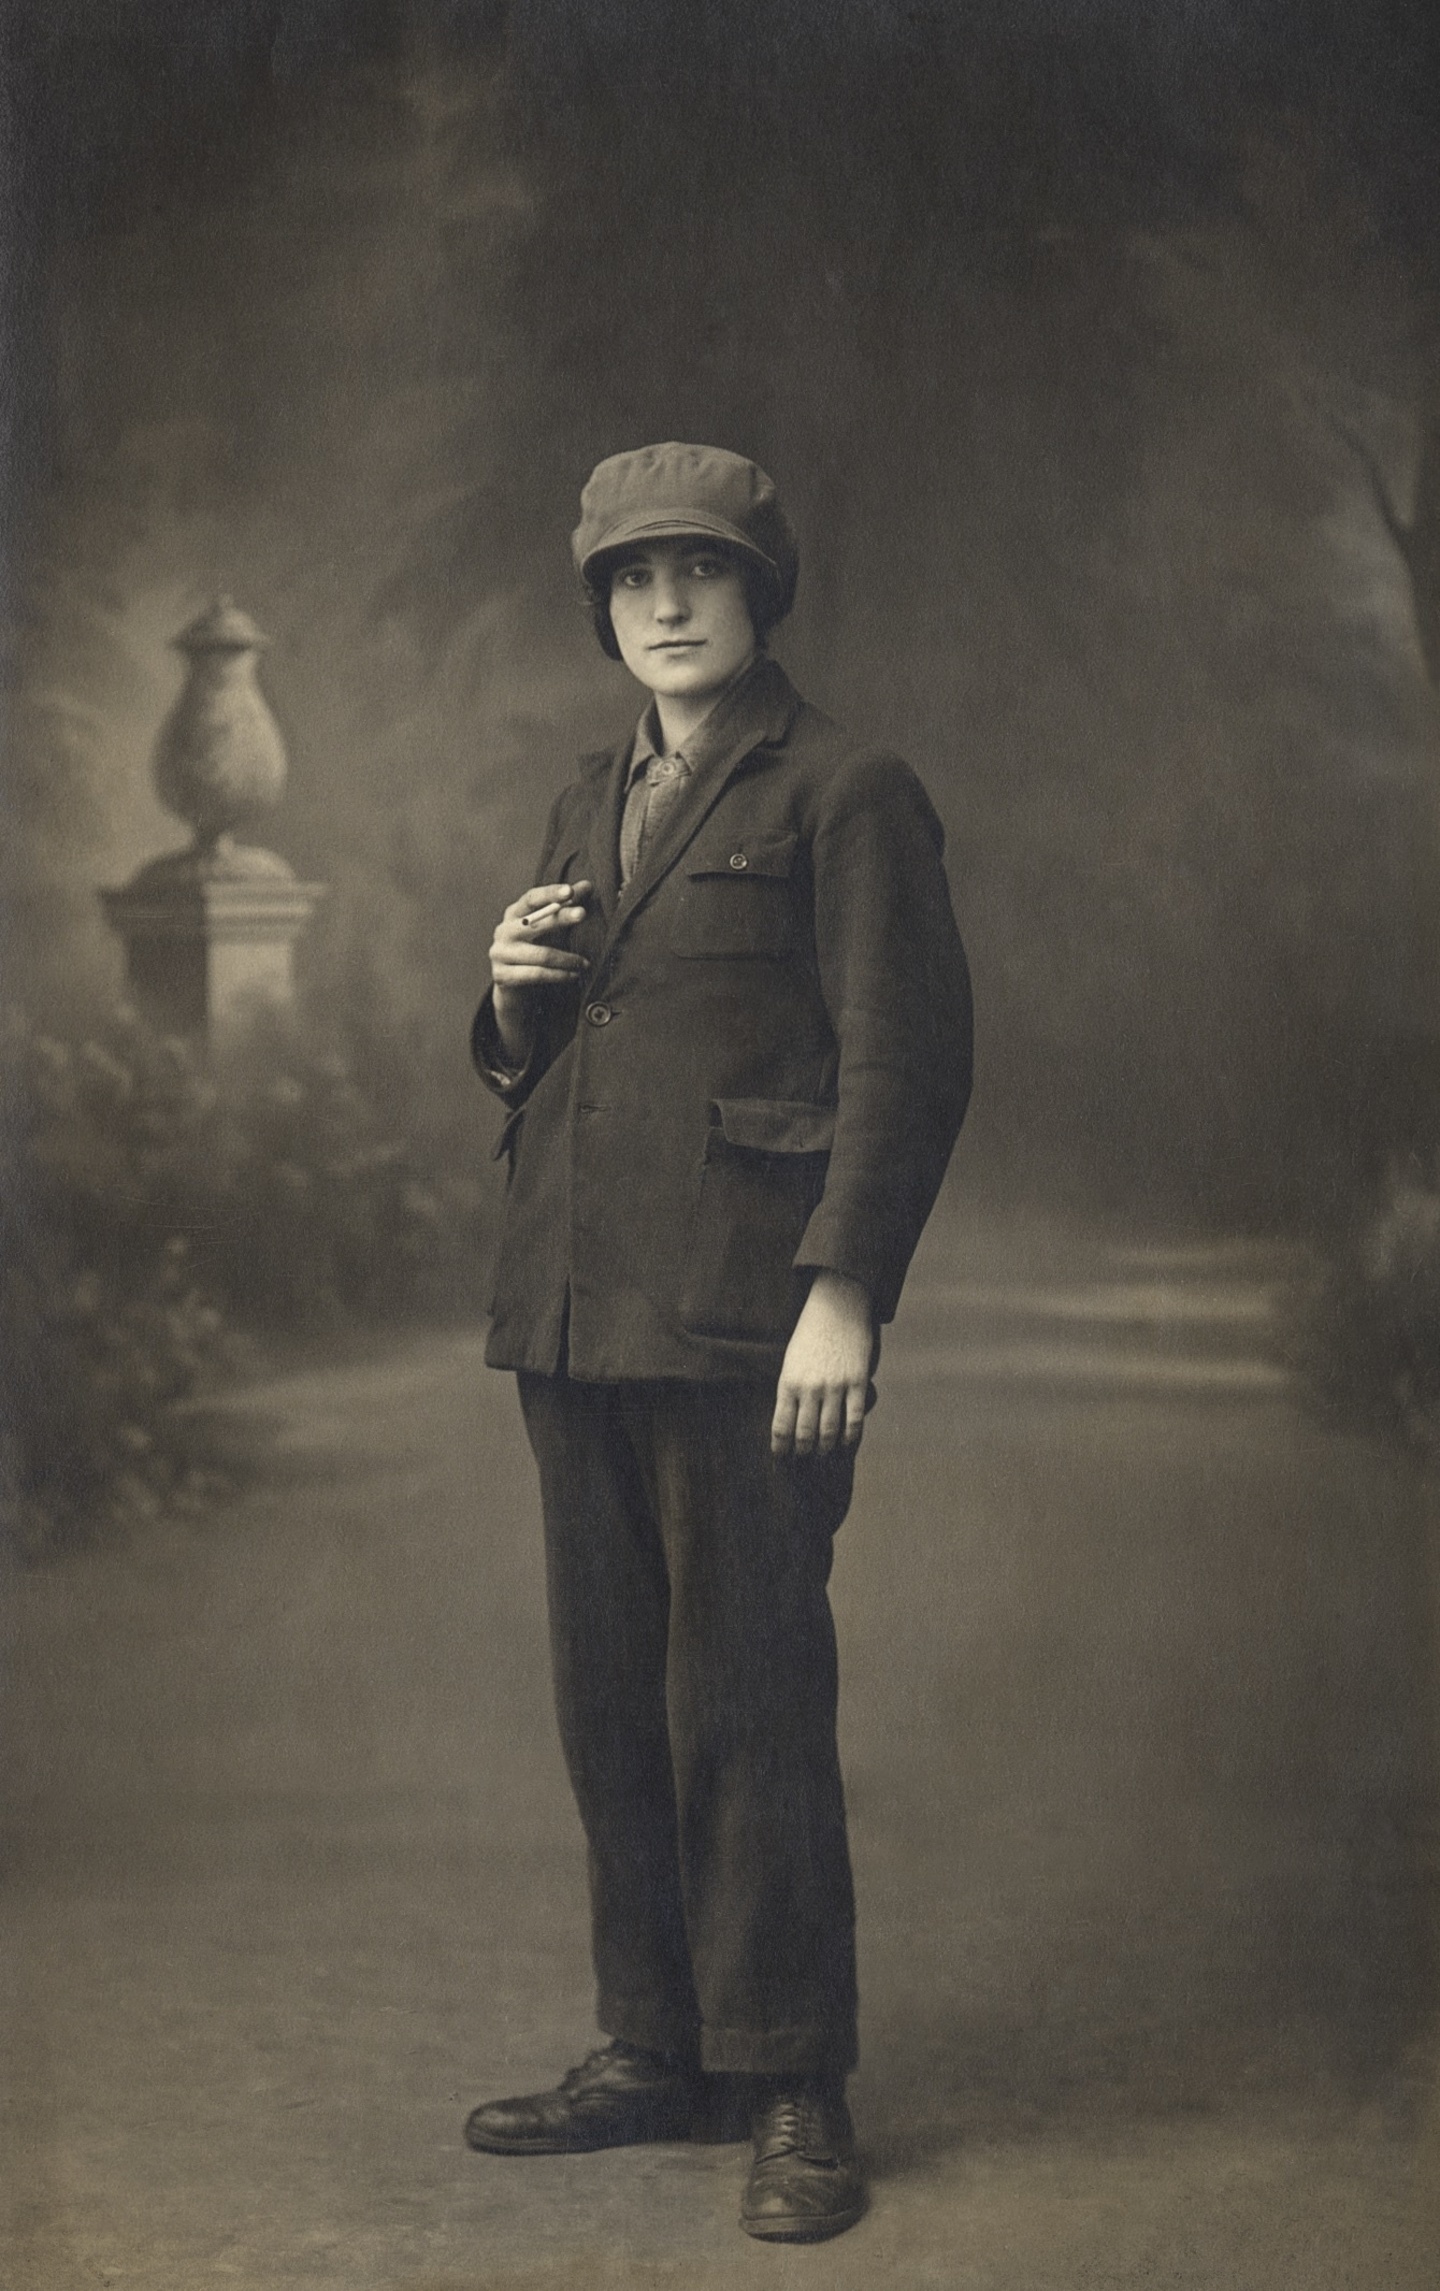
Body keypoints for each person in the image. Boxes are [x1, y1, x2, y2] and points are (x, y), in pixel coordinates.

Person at [464, 441, 972, 2242]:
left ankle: (793, 2077)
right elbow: (565, 1053)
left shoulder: (847, 789)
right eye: (630, 578)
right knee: (610, 1704)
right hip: (575, 1308)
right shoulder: (586, 793)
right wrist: (508, 1001)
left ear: (762, 593)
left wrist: (847, 1289)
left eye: (698, 572)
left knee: (746, 1703)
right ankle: (655, 2046)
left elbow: (906, 1058)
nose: (664, 604)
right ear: (600, 609)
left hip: (750, 1317)